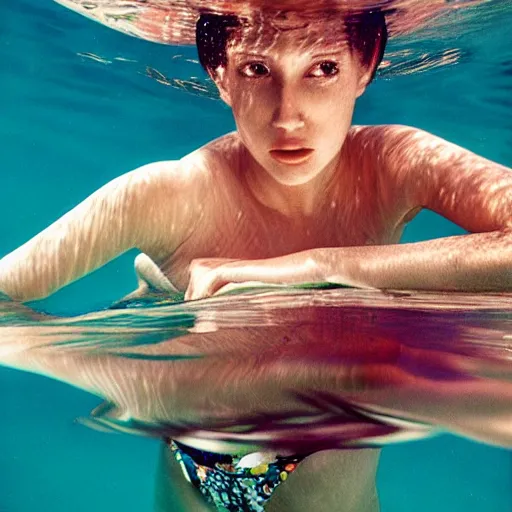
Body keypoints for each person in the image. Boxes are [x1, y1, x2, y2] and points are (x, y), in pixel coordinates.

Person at [1, 5, 512, 512]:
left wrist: (318, 266)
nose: (288, 115)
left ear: (367, 63)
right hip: (193, 463)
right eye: (257, 69)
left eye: (324, 68)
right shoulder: (165, 193)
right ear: (219, 74)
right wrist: (122, 374)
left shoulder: (395, 163)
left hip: (325, 475)